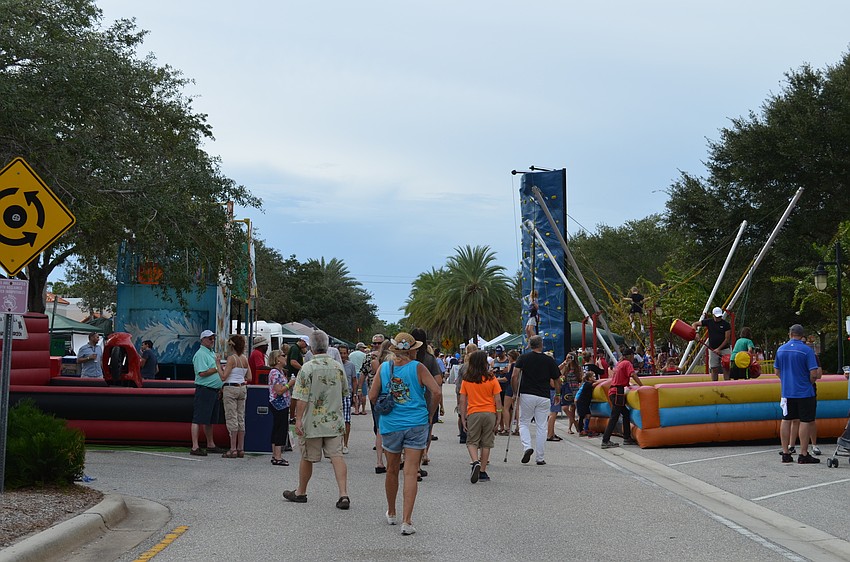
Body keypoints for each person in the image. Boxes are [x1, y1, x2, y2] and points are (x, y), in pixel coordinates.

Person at [368, 332, 442, 536]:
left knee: (392, 469)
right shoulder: (418, 367)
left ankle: (391, 512)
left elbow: (372, 395)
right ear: (412, 350)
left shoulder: (384, 368)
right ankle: (407, 521)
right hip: (416, 422)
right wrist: (430, 413)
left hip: (391, 424)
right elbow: (436, 391)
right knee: (410, 472)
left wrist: (385, 410)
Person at [283, 330, 351, 509]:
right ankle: (343, 494)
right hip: (334, 420)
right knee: (337, 456)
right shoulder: (337, 366)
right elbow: (345, 391)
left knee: (307, 457)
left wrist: (298, 420)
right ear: (328, 346)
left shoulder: (307, 368)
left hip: (312, 421)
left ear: (311, 347)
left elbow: (301, 397)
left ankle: (301, 491)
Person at [774, 324, 822, 464]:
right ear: (802, 335)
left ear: (790, 334)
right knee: (805, 421)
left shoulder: (781, 350)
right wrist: (809, 382)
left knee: (786, 419)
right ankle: (803, 453)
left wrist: (786, 380)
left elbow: (777, 371)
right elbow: (814, 373)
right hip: (804, 392)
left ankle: (785, 452)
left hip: (787, 392)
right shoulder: (806, 351)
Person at [512, 335, 561, 465]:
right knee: (541, 426)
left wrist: (515, 392)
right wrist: (558, 394)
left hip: (527, 394)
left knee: (523, 423)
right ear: (541, 345)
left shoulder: (523, 358)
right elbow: (557, 379)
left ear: (530, 345)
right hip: (544, 395)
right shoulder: (549, 360)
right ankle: (540, 457)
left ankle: (527, 446)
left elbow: (514, 376)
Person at [459, 350, 502, 483]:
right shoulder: (491, 378)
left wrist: (463, 416)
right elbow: (498, 399)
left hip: (474, 413)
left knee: (472, 441)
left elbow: (462, 400)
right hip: (489, 413)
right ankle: (483, 471)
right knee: (486, 442)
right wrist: (499, 414)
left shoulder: (467, 379)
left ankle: (475, 461)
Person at [190, 330, 225, 456]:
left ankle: (210, 444)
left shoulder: (211, 354)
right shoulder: (200, 354)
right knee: (198, 418)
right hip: (205, 389)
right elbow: (202, 373)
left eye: (213, 338)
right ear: (203, 340)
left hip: (213, 390)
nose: (212, 341)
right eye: (210, 339)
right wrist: (217, 368)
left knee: (209, 419)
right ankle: (195, 446)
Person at [601, 346, 643, 449]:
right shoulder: (627, 363)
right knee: (614, 417)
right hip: (618, 392)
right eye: (633, 355)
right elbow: (633, 375)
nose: (634, 357)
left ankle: (627, 437)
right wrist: (642, 386)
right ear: (629, 356)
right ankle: (605, 440)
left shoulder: (620, 364)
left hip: (614, 391)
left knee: (625, 413)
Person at [411, 328, 441, 468]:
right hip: (428, 399)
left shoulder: (407, 359)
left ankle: (410, 455)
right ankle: (424, 453)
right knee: (428, 428)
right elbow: (438, 380)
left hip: (410, 399)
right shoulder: (430, 359)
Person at [219, 334, 252, 458]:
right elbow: (249, 377)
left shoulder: (231, 359)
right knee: (240, 418)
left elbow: (223, 376)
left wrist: (218, 366)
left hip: (231, 387)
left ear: (231, 345)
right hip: (242, 388)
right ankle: (240, 448)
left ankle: (232, 449)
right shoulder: (244, 359)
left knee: (231, 417)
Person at [360, 334, 389, 473]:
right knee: (381, 427)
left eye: (379, 343)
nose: (376, 345)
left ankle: (381, 460)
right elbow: (362, 373)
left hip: (379, 396)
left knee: (380, 428)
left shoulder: (379, 361)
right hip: (381, 396)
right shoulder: (373, 359)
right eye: (374, 343)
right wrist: (359, 389)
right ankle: (384, 460)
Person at [267, 349, 293, 466]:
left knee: (277, 428)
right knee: (280, 429)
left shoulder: (281, 372)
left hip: (282, 404)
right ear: (277, 359)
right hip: (279, 404)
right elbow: (279, 391)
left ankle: (275, 455)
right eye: (283, 356)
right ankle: (277, 456)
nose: (285, 357)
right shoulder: (275, 373)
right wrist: (290, 383)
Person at [691, 307, 732, 381]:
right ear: (713, 315)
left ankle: (727, 383)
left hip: (724, 349)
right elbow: (695, 324)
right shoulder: (709, 322)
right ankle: (714, 384)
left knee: (726, 368)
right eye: (716, 316)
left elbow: (727, 339)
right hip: (712, 349)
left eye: (719, 317)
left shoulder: (726, 324)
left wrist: (719, 349)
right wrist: (696, 333)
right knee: (714, 368)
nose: (718, 318)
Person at [339, 344, 357, 453]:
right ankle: (337, 444)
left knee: (346, 419)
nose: (342, 355)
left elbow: (354, 380)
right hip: (335, 394)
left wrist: (355, 394)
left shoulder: (350, 365)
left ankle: (345, 444)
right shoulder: (335, 365)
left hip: (347, 394)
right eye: (340, 353)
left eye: (344, 353)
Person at [558, 353, 582, 435]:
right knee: (565, 407)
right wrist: (565, 363)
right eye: (567, 357)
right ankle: (575, 422)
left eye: (570, 357)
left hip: (575, 388)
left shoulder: (577, 368)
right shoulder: (566, 367)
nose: (569, 358)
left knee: (572, 409)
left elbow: (580, 378)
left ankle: (570, 428)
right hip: (567, 389)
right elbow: (558, 371)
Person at [500, 349, 519, 436]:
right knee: (517, 408)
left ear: (511, 357)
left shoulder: (512, 365)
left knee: (505, 408)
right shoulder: (519, 365)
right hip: (518, 387)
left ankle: (507, 428)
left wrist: (495, 379)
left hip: (510, 386)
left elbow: (507, 378)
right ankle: (518, 427)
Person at [492, 345, 510, 434]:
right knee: (498, 407)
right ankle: (501, 426)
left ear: (504, 352)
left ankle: (507, 426)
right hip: (496, 387)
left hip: (506, 386)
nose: (498, 355)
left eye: (500, 353)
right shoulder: (494, 361)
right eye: (497, 353)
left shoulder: (508, 361)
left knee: (506, 408)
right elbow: (490, 372)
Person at [575, 368, 597, 436]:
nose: (595, 378)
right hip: (581, 402)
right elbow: (593, 385)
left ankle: (586, 428)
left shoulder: (588, 384)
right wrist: (600, 381)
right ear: (589, 378)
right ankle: (581, 430)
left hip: (586, 403)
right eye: (593, 376)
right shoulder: (587, 384)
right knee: (582, 416)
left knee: (588, 415)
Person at [349, 342, 368, 414]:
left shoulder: (351, 355)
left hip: (353, 374)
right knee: (363, 393)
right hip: (361, 374)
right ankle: (363, 409)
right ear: (360, 348)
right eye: (363, 348)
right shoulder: (364, 355)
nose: (364, 349)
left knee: (355, 393)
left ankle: (356, 409)